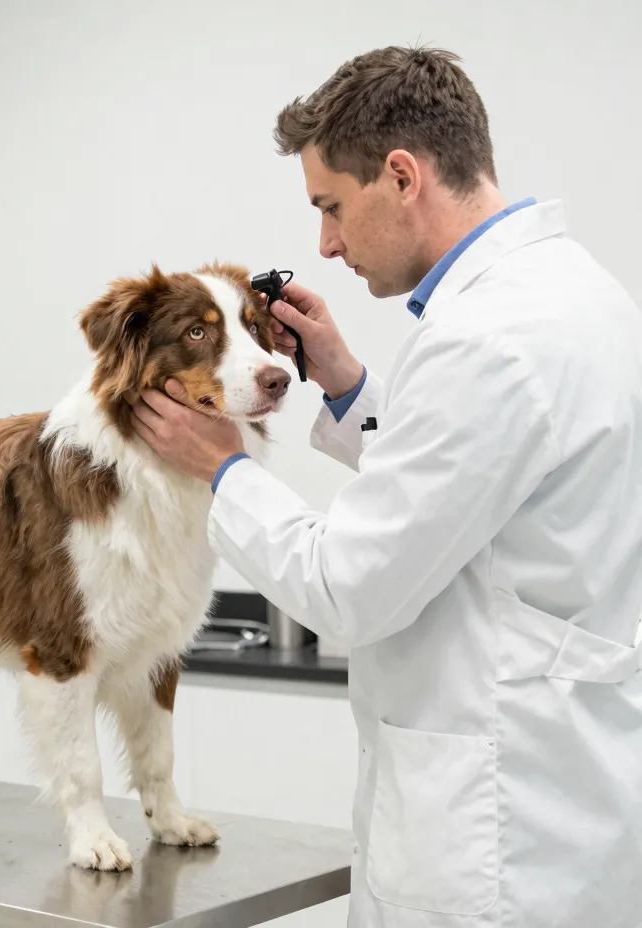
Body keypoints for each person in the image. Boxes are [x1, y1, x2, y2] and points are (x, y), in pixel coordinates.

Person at [131, 45, 642, 928]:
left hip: (497, 840)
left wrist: (221, 468)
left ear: (402, 176)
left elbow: (349, 587)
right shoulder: (574, 295)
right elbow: (472, 491)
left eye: (330, 206)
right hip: (569, 802)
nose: (326, 244)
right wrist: (347, 386)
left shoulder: (488, 342)